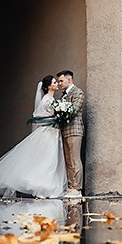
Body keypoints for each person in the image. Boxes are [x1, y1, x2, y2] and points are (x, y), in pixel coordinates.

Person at [0, 75, 67, 199]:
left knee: (51, 160)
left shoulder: (52, 100)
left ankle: (46, 187)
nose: (57, 84)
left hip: (53, 133)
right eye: (54, 82)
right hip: (48, 133)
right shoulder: (47, 100)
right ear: (49, 86)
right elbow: (41, 117)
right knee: (47, 160)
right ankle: (42, 187)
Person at [55, 70, 85, 198]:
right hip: (65, 131)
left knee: (75, 159)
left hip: (75, 130)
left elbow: (73, 110)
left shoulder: (78, 92)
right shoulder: (63, 95)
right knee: (68, 160)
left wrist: (60, 109)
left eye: (61, 81)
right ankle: (71, 186)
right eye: (59, 81)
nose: (59, 83)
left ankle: (77, 188)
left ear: (69, 80)